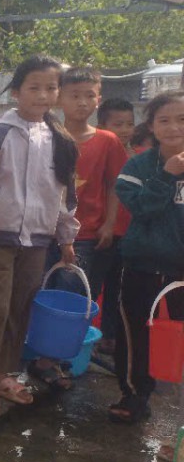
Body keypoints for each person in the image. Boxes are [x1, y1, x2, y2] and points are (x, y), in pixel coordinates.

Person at [0, 55, 79, 416]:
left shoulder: (60, 139)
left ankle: (4, 374)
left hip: (38, 239)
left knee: (20, 308)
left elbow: (64, 194)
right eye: (34, 87)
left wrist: (66, 237)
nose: (42, 95)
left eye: (50, 88)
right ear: (16, 91)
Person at [35, 68, 126, 384]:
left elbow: (115, 185)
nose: (82, 102)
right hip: (41, 232)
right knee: (37, 292)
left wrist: (110, 223)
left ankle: (53, 361)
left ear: (99, 98)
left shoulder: (108, 141)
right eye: (75, 95)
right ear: (60, 97)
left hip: (86, 235)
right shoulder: (45, 135)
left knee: (71, 298)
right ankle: (31, 354)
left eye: (90, 95)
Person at [110, 90, 184, 424]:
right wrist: (167, 174)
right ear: (151, 126)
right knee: (134, 334)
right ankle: (134, 394)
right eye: (164, 120)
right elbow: (141, 209)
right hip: (141, 266)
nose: (174, 127)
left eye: (182, 119)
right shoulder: (138, 166)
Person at [96, 97, 138, 355]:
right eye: (118, 124)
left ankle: (109, 337)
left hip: (129, 236)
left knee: (117, 290)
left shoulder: (138, 158)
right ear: (102, 125)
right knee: (91, 287)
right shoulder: (99, 153)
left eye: (129, 124)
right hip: (101, 232)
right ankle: (84, 337)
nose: (125, 130)